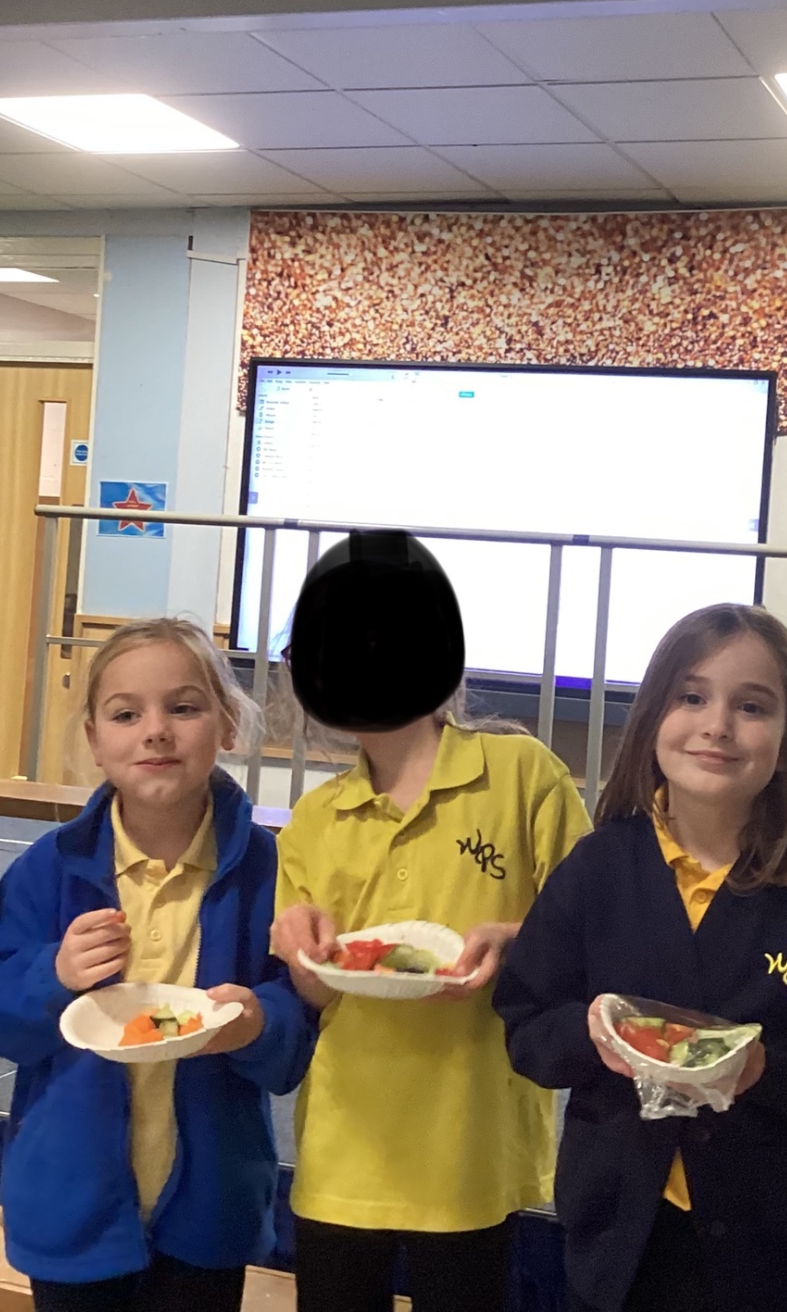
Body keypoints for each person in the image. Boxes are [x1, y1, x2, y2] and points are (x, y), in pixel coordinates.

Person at [495, 603, 787, 1312]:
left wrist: (764, 1071)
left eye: (752, 706)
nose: (718, 725)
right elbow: (527, 1027)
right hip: (616, 1243)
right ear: (653, 717)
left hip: (772, 1250)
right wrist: (590, 1032)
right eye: (692, 697)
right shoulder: (597, 871)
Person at [0, 618, 315, 1312]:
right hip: (71, 1208)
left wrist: (259, 1023)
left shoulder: (269, 870)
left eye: (184, 707)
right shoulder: (49, 868)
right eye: (126, 714)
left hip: (211, 1210)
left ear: (228, 725)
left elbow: (296, 1032)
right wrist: (54, 974)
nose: (156, 732)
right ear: (94, 739)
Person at [269, 530, 589, 1312]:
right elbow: (316, 993)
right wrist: (302, 956)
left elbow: (592, 938)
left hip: (471, 1151)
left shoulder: (522, 776)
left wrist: (519, 946)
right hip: (345, 1153)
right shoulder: (315, 819)